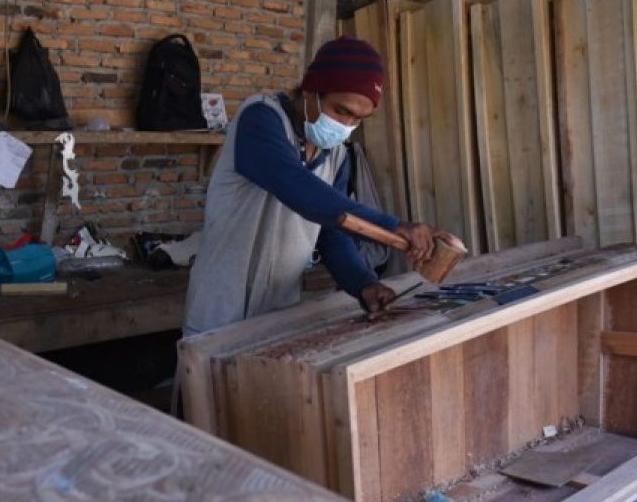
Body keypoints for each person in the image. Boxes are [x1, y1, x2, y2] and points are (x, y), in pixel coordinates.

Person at [182, 36, 455, 337]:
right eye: (341, 110)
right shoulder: (261, 118)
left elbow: (331, 231)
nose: (347, 125)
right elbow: (299, 190)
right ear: (311, 92)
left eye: (358, 119)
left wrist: (363, 284)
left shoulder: (336, 154)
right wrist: (394, 227)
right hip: (221, 307)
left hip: (280, 310)